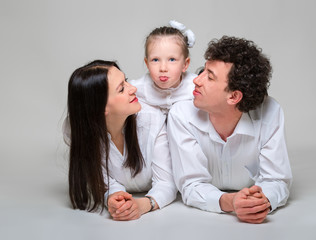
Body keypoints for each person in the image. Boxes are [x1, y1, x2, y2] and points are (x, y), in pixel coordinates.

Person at [167, 36, 293, 224]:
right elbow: (191, 184)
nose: (196, 80)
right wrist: (231, 202)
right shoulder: (181, 114)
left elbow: (277, 179)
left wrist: (260, 202)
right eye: (202, 70)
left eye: (209, 77)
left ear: (234, 96)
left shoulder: (270, 113)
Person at [64, 60, 177, 221]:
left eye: (126, 80)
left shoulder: (153, 119)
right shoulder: (76, 130)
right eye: (122, 88)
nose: (133, 89)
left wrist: (142, 205)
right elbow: (100, 176)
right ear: (100, 107)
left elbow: (166, 183)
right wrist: (114, 197)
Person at [129, 20, 197, 115]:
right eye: (155, 60)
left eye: (172, 59)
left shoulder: (194, 86)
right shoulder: (138, 88)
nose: (163, 68)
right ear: (147, 64)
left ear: (185, 64)